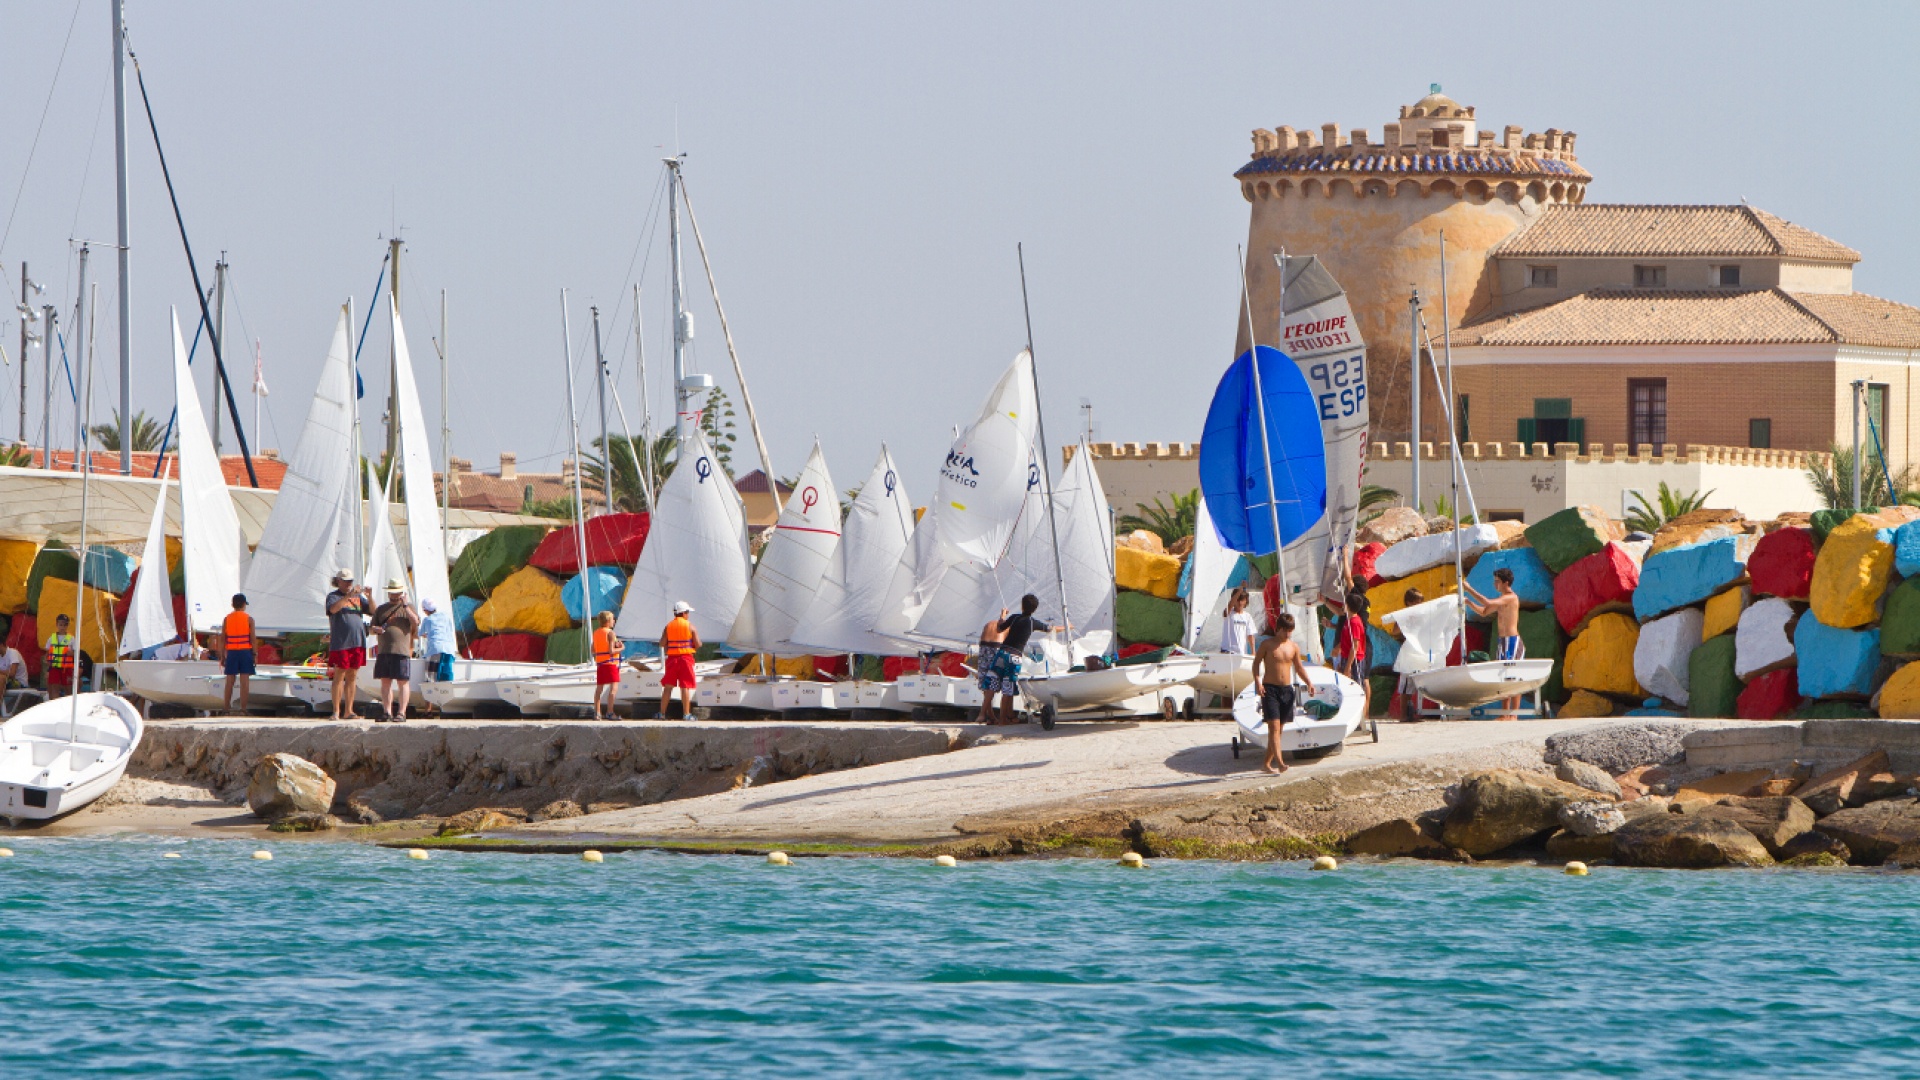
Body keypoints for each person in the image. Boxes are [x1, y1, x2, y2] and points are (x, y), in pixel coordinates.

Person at [1252, 611, 1313, 775]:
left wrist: (1309, 683)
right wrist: (1258, 681)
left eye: (1290, 631)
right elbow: (1256, 664)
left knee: (1279, 730)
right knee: (1274, 728)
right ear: (1278, 628)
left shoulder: (1293, 646)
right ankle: (1280, 762)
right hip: (1269, 689)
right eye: (1285, 630)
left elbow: (1299, 668)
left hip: (1287, 691)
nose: (1287, 634)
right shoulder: (1267, 644)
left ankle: (1266, 763)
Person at [1464, 567, 1525, 721]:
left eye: (1497, 581)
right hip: (1502, 641)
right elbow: (1484, 611)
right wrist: (1469, 603)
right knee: (1503, 677)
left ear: (1506, 583)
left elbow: (1487, 602)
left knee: (1514, 676)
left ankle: (1514, 714)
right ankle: (1505, 714)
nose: (1494, 584)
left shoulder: (1510, 597)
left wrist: (1469, 589)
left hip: (1512, 641)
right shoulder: (1501, 600)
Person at [986, 594, 1052, 726]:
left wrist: (1003, 615)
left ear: (1022, 605)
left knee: (991, 685)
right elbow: (1049, 629)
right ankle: (1003, 720)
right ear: (1034, 609)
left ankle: (988, 716)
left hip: (1002, 653)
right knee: (1008, 689)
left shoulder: (1014, 617)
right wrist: (1067, 627)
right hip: (1014, 656)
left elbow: (1000, 628)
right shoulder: (1033, 622)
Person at [324, 569, 373, 721]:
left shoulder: (358, 597)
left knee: (352, 675)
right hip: (341, 642)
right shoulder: (333, 597)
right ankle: (336, 711)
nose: (348, 584)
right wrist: (349, 595)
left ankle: (349, 711)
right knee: (339, 674)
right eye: (345, 581)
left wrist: (370, 597)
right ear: (338, 581)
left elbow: (373, 611)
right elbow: (333, 609)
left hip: (357, 641)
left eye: (350, 581)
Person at [371, 579, 419, 723]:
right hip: (385, 650)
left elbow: (415, 622)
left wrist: (405, 606)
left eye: (396, 592)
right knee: (385, 682)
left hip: (401, 650)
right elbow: (372, 628)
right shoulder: (381, 609)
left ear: (401, 592)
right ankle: (387, 711)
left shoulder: (408, 607)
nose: (393, 595)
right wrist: (375, 629)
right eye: (391, 592)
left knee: (402, 681)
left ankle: (402, 713)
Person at [659, 601, 701, 720]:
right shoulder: (691, 626)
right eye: (688, 612)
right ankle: (686, 714)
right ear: (684, 613)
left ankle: (661, 714)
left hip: (672, 659)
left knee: (668, 687)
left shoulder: (668, 626)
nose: (688, 614)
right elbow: (698, 644)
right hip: (686, 659)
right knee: (685, 687)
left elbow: (662, 643)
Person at [1334, 583, 1371, 717]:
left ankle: (1360, 716)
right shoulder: (1348, 621)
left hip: (1355, 660)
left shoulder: (1355, 622)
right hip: (1346, 657)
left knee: (1357, 687)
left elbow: (1355, 646)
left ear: (1348, 606)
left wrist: (1348, 666)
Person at [221, 593, 258, 714]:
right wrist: (255, 654)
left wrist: (222, 656)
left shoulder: (227, 619)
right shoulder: (249, 619)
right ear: (244, 605)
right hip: (245, 652)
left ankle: (226, 708)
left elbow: (223, 639)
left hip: (231, 652)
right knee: (244, 682)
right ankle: (243, 709)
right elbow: (253, 639)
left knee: (229, 681)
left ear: (232, 605)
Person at [973, 616, 1009, 723]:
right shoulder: (1007, 626)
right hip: (996, 647)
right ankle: (983, 714)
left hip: (983, 647)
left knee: (985, 683)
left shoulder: (988, 623)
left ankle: (990, 716)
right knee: (993, 681)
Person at [591, 611, 623, 720]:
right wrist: (621, 648)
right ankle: (610, 712)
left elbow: (593, 650)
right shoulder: (611, 633)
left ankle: (597, 713)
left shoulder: (596, 633)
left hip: (600, 664)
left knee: (599, 689)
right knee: (613, 689)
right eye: (613, 619)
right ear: (608, 621)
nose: (614, 621)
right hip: (610, 664)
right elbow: (611, 650)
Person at [419, 598, 457, 684]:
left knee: (431, 678)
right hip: (449, 649)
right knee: (447, 677)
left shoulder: (427, 620)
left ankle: (431, 695)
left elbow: (421, 633)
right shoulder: (446, 616)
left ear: (425, 610)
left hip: (435, 649)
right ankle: (446, 694)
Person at [43, 614, 76, 699]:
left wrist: (71, 653)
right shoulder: (51, 638)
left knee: (68, 688)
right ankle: (54, 705)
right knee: (54, 688)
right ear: (57, 625)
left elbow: (76, 654)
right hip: (54, 667)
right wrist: (47, 665)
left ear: (67, 625)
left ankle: (69, 706)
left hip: (66, 667)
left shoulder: (71, 638)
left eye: (65, 625)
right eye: (61, 624)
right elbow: (47, 654)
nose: (63, 627)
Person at [1221, 587, 1257, 656]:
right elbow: (1230, 605)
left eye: (1242, 600)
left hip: (1241, 653)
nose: (1240, 603)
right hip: (1227, 652)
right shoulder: (1229, 613)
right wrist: (1240, 590)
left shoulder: (1247, 616)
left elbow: (1250, 635)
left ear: (1246, 601)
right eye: (1238, 600)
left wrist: (1253, 651)